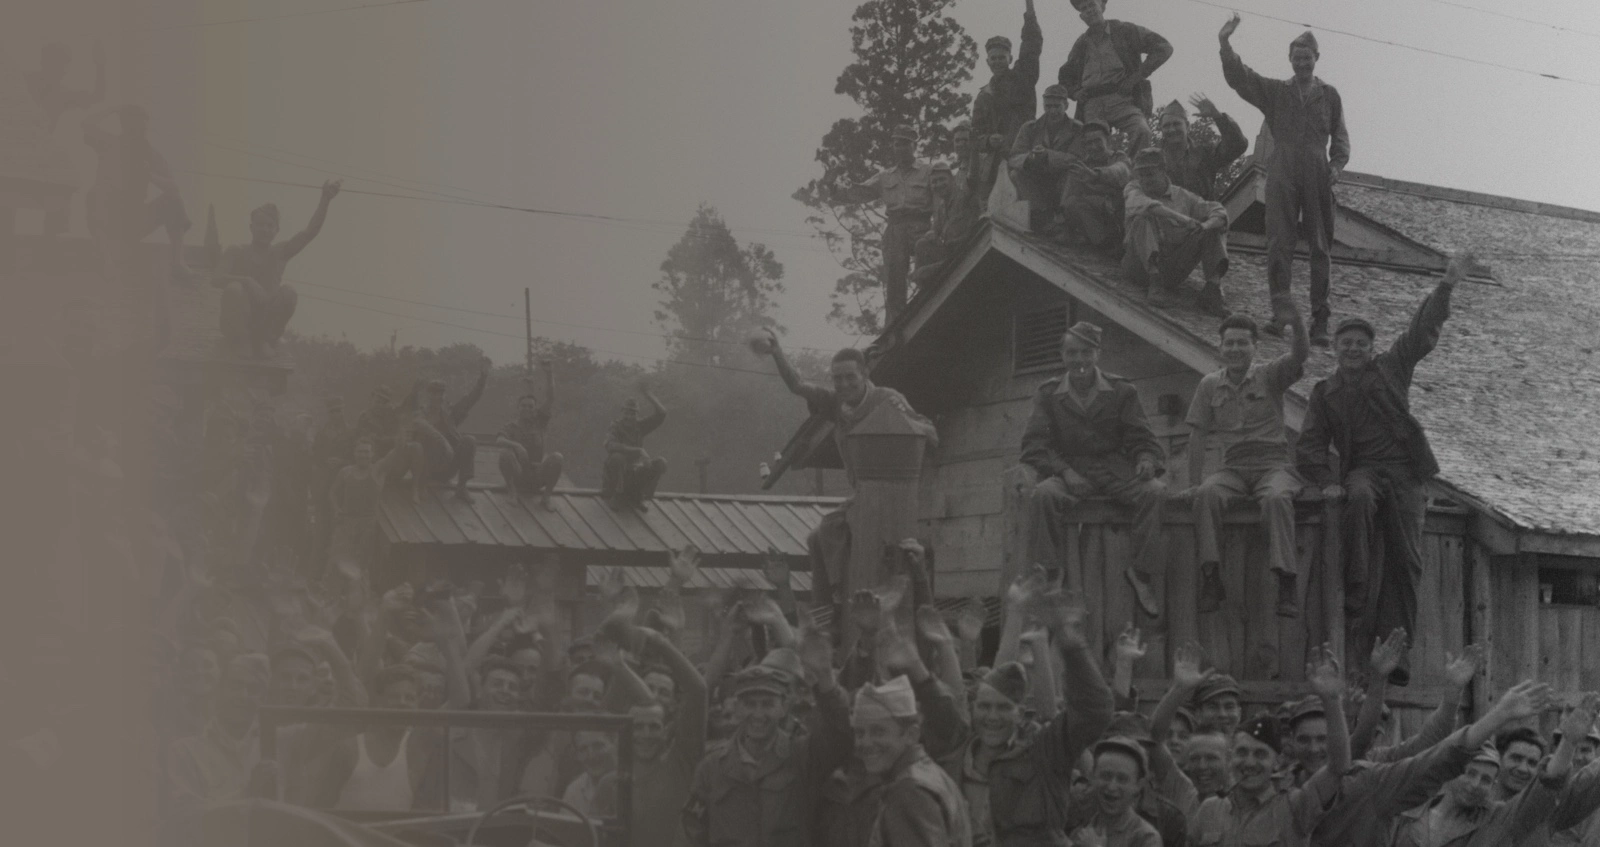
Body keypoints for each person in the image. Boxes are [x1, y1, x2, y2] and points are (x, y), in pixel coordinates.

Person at [1296, 253, 1469, 686]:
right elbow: (1311, 446)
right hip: (1365, 473)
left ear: (1371, 349)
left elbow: (1420, 333)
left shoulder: (1391, 370)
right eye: (1345, 343)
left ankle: (1399, 652)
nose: (1353, 349)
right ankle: (1354, 598)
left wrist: (1446, 285)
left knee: (1407, 560)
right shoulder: (1325, 392)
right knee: (1355, 497)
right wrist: (1326, 482)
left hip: (1406, 473)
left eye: (1360, 344)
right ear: (1334, 350)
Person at [759, 338, 937, 630]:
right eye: (837, 378)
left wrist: (902, 415)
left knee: (831, 527)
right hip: (862, 492)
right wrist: (777, 353)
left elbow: (926, 431)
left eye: (850, 377)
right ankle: (825, 606)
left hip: (892, 492)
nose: (843, 384)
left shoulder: (887, 398)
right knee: (817, 538)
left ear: (865, 374)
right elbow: (798, 385)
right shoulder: (836, 404)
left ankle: (842, 595)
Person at [938, 581, 1114, 847]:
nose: (992, 716)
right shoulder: (957, 755)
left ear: (1020, 714)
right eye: (984, 707)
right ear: (972, 709)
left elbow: (1095, 712)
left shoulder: (1044, 753)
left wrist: (1072, 647)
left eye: (1003, 708)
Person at [1218, 15, 1350, 344]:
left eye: (1307, 57)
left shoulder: (1330, 95)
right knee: (1279, 242)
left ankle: (1320, 318)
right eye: (1296, 57)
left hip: (1317, 169)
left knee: (1320, 245)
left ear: (1316, 60)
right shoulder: (1276, 92)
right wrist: (1225, 44)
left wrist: (1335, 166)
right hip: (1283, 168)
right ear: (1289, 60)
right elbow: (1241, 78)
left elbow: (1341, 139)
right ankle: (1280, 313)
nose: (1302, 62)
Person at [1021, 321, 1166, 617]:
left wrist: (1146, 460)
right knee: (1044, 495)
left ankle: (1142, 574)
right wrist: (1064, 471)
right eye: (1072, 353)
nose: (1079, 360)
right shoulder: (1048, 394)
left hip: (1115, 471)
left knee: (1155, 492)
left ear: (1097, 354)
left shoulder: (1122, 390)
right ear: (1062, 356)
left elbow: (1142, 438)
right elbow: (1034, 445)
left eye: (1086, 353)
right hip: (1069, 470)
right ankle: (1050, 575)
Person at [1185, 311, 1309, 617]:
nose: (1235, 349)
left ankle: (1286, 580)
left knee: (1277, 498)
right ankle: (1212, 576)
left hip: (1272, 464)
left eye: (1243, 343)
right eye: (1229, 343)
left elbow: (1300, 355)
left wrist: (1297, 323)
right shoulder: (1209, 385)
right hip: (1233, 468)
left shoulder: (1270, 375)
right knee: (1206, 494)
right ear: (1220, 347)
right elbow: (1197, 435)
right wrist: (1193, 482)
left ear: (1255, 347)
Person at [682, 630, 850, 847]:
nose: (758, 714)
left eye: (768, 704)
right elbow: (693, 830)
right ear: (739, 707)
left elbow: (840, 736)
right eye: (750, 704)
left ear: (783, 707)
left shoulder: (802, 755)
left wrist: (826, 678)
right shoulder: (712, 766)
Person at [1188, 647, 1350, 845]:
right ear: (1230, 758)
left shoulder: (1295, 807)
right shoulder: (1210, 810)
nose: (1249, 762)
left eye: (1260, 754)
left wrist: (1331, 701)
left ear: (1277, 762)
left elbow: (1337, 767)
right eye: (1242, 752)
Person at [1390, 692, 1596, 847]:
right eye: (1470, 773)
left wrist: (1568, 743)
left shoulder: (1496, 820)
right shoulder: (1406, 813)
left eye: (1486, 779)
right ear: (1452, 772)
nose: (1475, 784)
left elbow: (1550, 784)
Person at [215, 179, 341, 357]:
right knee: (233, 289)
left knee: (289, 291)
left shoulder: (280, 252)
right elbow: (216, 278)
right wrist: (247, 280)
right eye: (260, 225)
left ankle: (265, 340)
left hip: (264, 322)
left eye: (270, 226)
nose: (265, 229)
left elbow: (309, 232)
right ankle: (241, 341)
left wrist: (325, 199)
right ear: (251, 227)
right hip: (237, 323)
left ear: (277, 230)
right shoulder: (236, 251)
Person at [82, 104, 193, 284]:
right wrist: (112, 108)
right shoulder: (109, 143)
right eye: (134, 127)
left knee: (173, 200)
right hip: (109, 221)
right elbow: (86, 124)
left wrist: (150, 175)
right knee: (94, 195)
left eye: (143, 127)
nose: (140, 132)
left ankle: (178, 262)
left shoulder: (149, 153)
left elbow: (173, 187)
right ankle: (107, 262)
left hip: (135, 221)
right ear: (124, 126)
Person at [836, 125, 934, 321]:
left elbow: (941, 200)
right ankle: (893, 330)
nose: (901, 148)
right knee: (894, 281)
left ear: (914, 146)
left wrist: (937, 229)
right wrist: (834, 188)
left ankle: (930, 317)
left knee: (928, 276)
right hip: (895, 228)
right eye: (897, 144)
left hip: (921, 226)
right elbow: (861, 192)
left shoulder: (928, 171)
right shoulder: (885, 176)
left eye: (905, 144)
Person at [1122, 147, 1231, 315]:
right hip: (1138, 268)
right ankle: (1154, 279)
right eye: (1141, 174)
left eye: (1149, 174)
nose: (1144, 180)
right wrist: (1183, 219)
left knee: (1212, 228)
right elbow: (1143, 205)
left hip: (1172, 270)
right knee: (1142, 218)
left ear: (1163, 171)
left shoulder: (1184, 197)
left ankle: (1212, 289)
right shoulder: (1133, 188)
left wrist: (1205, 226)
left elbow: (1219, 212)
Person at [1057, 0, 1171, 157]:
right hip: (1092, 103)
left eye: (1092, 5)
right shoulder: (1081, 44)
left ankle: (1134, 173)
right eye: (1084, 8)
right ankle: (1100, 177)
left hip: (1122, 98)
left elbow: (1163, 48)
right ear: (1081, 17)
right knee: (1086, 147)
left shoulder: (1126, 31)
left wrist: (1135, 78)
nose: (1089, 10)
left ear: (1102, 7)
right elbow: (1064, 76)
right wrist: (1075, 92)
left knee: (1141, 131)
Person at [972, 0, 1043, 207]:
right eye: (993, 58)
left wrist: (1029, 10)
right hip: (994, 161)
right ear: (987, 62)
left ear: (1010, 58)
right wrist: (987, 140)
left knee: (1024, 202)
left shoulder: (1023, 77)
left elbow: (1032, 44)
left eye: (1001, 57)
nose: (997, 61)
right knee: (988, 206)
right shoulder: (983, 95)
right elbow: (975, 133)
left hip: (1022, 150)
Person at [327, 435, 422, 578]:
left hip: (367, 523)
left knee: (361, 565)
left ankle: (358, 597)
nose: (363, 455)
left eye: (366, 452)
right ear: (354, 453)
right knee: (337, 560)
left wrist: (401, 433)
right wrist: (336, 509)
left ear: (372, 454)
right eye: (360, 451)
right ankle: (331, 596)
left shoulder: (377, 470)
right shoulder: (345, 472)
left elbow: (396, 452)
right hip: (345, 522)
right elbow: (333, 492)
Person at [408, 357, 489, 501]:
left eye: (440, 393)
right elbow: (416, 419)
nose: (437, 397)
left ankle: (461, 487)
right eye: (433, 393)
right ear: (428, 395)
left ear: (444, 396)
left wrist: (483, 377)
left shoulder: (450, 415)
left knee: (469, 440)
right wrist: (442, 440)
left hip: (448, 466)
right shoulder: (421, 413)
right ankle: (422, 486)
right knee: (427, 440)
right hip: (426, 469)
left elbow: (471, 399)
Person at [1007, 85, 1083, 234]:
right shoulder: (1029, 128)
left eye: (1057, 106)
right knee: (1016, 174)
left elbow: (1077, 158)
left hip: (1063, 184)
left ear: (1066, 105)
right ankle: (1040, 216)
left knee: (1076, 171)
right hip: (1038, 183)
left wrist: (1048, 155)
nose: (1052, 111)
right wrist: (1030, 158)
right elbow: (1014, 157)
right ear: (1043, 106)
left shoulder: (1077, 128)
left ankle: (1064, 218)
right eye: (1048, 106)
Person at [1066, 738, 1164, 847]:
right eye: (1105, 776)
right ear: (1092, 777)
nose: (1112, 787)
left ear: (1138, 786)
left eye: (1122, 779)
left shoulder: (1146, 838)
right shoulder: (1081, 834)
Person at [1157, 96, 1248, 202]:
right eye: (1166, 126)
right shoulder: (1153, 158)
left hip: (1202, 216)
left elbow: (1238, 145)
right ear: (1161, 130)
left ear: (1187, 126)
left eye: (1176, 124)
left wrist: (1217, 116)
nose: (1171, 129)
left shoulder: (1204, 155)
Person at [1058, 122, 1131, 252]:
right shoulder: (1083, 166)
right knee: (1072, 203)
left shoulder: (1118, 157)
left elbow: (1121, 171)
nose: (1093, 147)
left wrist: (1096, 175)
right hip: (1097, 222)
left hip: (1120, 217)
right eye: (1088, 143)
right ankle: (1105, 245)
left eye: (1098, 141)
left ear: (1108, 140)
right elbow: (1067, 199)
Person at [497, 380, 564, 508]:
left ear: (534, 409)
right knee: (505, 453)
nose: (526, 409)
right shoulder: (511, 426)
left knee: (557, 457)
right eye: (523, 406)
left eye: (530, 406)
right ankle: (512, 493)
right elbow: (499, 440)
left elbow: (550, 398)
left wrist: (549, 374)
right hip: (519, 474)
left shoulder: (539, 423)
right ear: (518, 407)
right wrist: (517, 445)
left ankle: (546, 498)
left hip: (537, 476)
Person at [601, 384, 668, 510]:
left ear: (637, 415)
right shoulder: (615, 426)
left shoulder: (639, 426)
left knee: (660, 463)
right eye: (626, 413)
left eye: (632, 414)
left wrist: (648, 394)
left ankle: (640, 496)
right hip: (615, 478)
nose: (629, 417)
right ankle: (616, 496)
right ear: (622, 412)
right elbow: (610, 445)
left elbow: (662, 414)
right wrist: (638, 450)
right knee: (617, 457)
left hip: (633, 475)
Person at [27, 40, 105, 132]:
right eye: (56, 64)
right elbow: (96, 97)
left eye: (64, 64)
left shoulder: (64, 94)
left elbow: (96, 97)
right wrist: (100, 66)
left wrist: (100, 66)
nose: (63, 70)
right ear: (43, 61)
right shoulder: (25, 80)